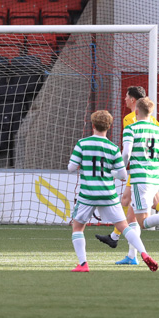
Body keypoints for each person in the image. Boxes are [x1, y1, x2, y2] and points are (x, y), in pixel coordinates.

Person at [66, 109, 156, 272]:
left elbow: (71, 168)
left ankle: (83, 264)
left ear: (93, 125)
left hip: (88, 194)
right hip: (108, 194)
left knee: (78, 227)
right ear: (109, 127)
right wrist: (109, 172)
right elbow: (122, 175)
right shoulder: (113, 148)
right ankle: (144, 253)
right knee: (124, 227)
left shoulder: (82, 143)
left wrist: (83, 165)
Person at [95, 86, 159, 261]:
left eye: (126, 96)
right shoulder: (156, 126)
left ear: (136, 106)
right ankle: (130, 254)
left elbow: (126, 153)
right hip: (154, 174)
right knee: (130, 213)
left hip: (140, 174)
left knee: (141, 220)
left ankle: (118, 240)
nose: (124, 99)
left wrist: (119, 171)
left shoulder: (130, 124)